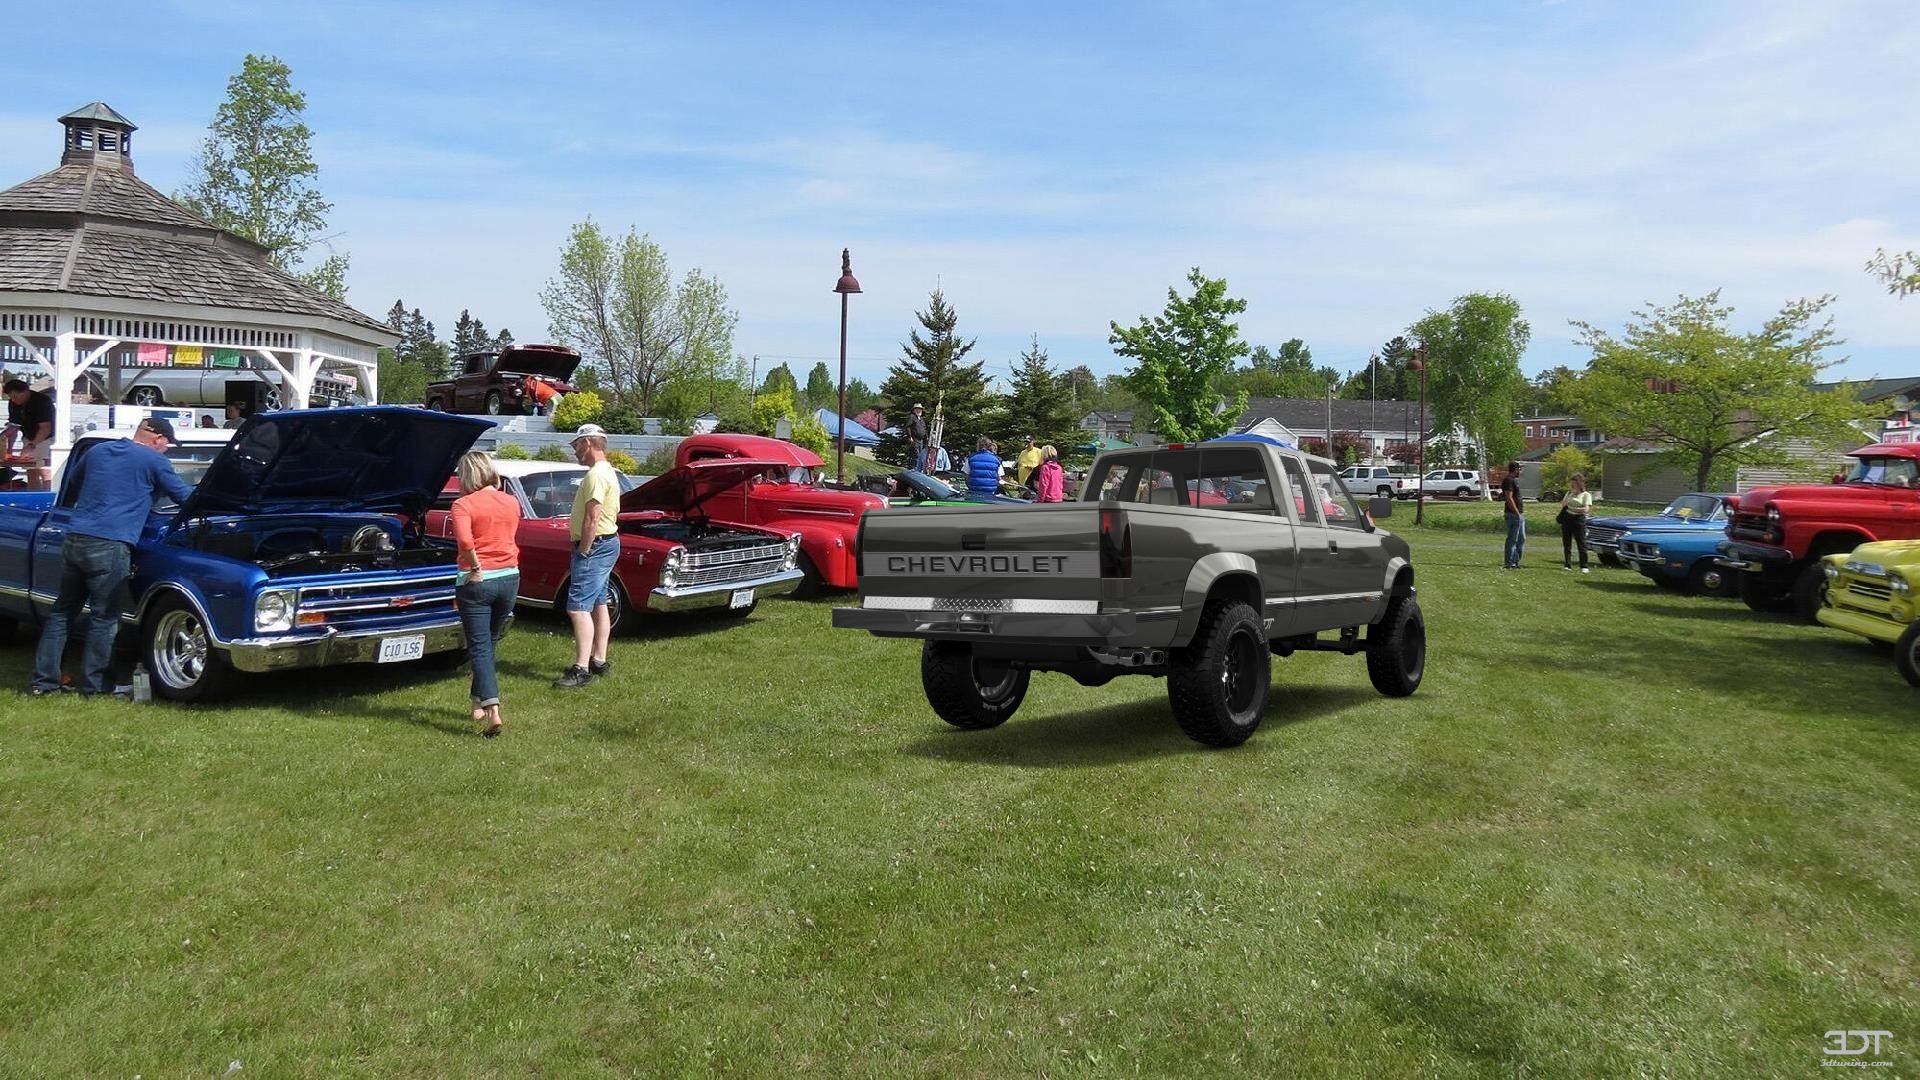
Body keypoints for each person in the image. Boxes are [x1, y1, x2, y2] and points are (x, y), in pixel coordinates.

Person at [30, 418, 191, 696]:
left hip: (76, 536)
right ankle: (97, 687)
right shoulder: (154, 461)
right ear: (158, 439)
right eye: (168, 445)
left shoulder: (98, 451)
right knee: (105, 617)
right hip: (111, 542)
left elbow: (76, 484)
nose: (167, 450)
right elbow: (185, 498)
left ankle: (44, 683)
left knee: (62, 612)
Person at [450, 451, 521, 735]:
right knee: (489, 643)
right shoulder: (511, 501)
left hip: (477, 580)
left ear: (468, 475)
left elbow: (466, 541)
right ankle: (477, 703)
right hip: (510, 577)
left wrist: (476, 566)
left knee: (478, 646)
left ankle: (493, 710)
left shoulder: (463, 504)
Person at [554, 423, 620, 689]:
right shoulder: (609, 472)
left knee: (577, 607)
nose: (575, 451)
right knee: (599, 602)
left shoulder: (595, 476)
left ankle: (581, 668)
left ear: (588, 444)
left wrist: (584, 549)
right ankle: (599, 659)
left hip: (595, 546)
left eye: (576, 445)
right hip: (608, 542)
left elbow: (593, 517)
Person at [3, 377, 56, 490]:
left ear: (25, 391)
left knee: (44, 471)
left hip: (47, 438)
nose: (13, 400)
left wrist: (31, 446)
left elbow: (45, 428)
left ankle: (48, 499)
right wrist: (8, 449)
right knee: (31, 471)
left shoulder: (42, 401)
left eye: (15, 396)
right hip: (28, 437)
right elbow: (14, 426)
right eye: (11, 397)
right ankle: (32, 499)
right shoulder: (13, 403)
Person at [1558, 472, 1594, 573]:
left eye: (1574, 483)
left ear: (1580, 483)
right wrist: (1570, 497)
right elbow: (1563, 504)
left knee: (1581, 542)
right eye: (1571, 483)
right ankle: (1567, 564)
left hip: (1579, 519)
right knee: (1567, 542)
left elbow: (1585, 509)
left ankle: (1584, 565)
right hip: (1567, 518)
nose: (1572, 485)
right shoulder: (1569, 493)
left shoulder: (1586, 495)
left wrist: (1573, 508)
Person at [1500, 460, 1526, 569]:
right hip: (1513, 515)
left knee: (1521, 538)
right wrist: (1516, 513)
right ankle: (1509, 563)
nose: (1520, 471)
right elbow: (1509, 498)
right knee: (1512, 539)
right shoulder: (1508, 481)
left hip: (1519, 514)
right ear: (1515, 469)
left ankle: (1515, 562)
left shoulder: (1514, 481)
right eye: (1519, 469)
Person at [906, 403, 929, 471]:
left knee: (920, 455)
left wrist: (926, 437)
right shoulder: (912, 417)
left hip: (921, 440)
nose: (919, 411)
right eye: (917, 409)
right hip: (915, 439)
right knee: (916, 454)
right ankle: (913, 469)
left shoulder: (921, 419)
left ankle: (918, 469)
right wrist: (910, 437)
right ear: (914, 410)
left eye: (920, 409)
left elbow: (924, 429)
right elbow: (908, 427)